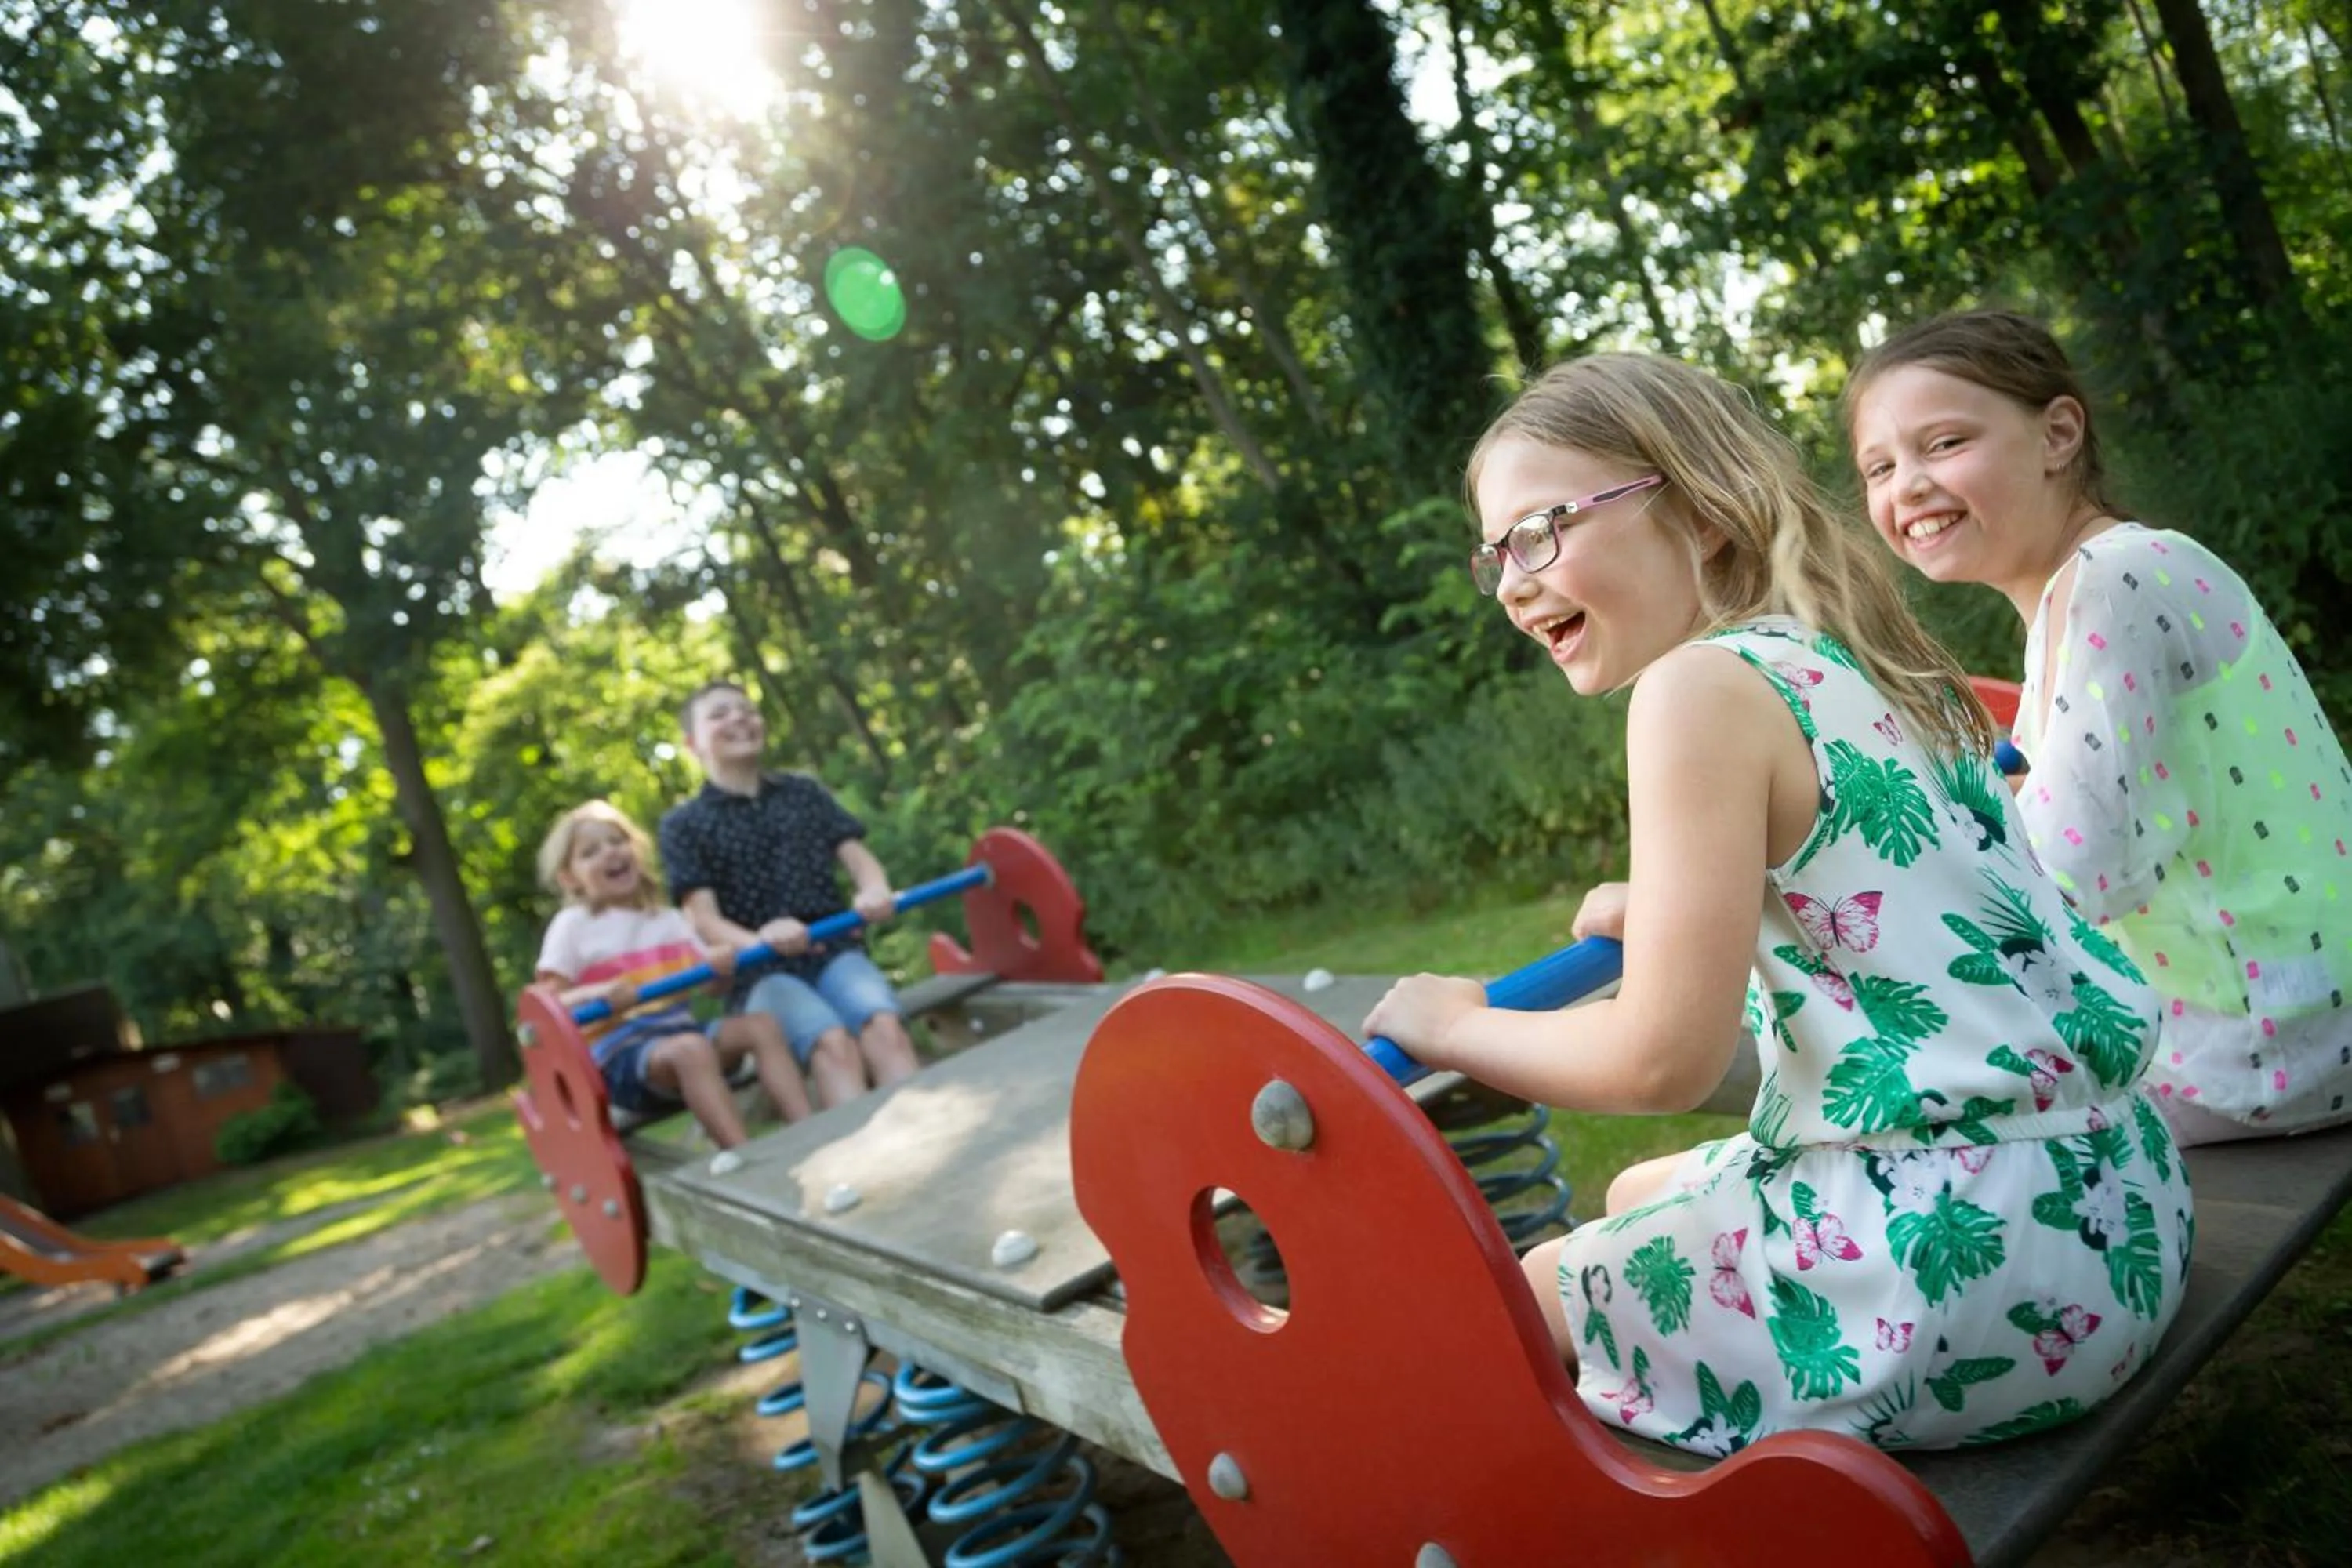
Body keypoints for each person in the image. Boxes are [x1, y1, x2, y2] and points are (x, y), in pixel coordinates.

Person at [1363, 354, 2190, 1456]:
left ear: (1700, 512)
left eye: (1541, 530)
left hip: (1954, 1280)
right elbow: (1884, 882)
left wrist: (1451, 1024)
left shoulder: (1694, 688)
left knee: (1518, 1301)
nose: (1513, 582)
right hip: (2116, 1204)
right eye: (1497, 553)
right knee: (1645, 1188)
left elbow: (1657, 1063)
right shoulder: (1867, 655)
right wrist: (1673, 909)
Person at [1846, 309, 2352, 1145]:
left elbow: (2077, 874)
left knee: (1883, 1098)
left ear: (2057, 434)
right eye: (1879, 466)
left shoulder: (2114, 580)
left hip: (2270, 1044)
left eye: (1942, 444)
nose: (1907, 485)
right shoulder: (2080, 594)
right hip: (2280, 1019)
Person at [657, 681, 920, 1110]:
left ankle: (928, 1133)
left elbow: (857, 857)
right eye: (720, 714)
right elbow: (703, 918)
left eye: (747, 710)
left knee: (883, 1025)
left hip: (832, 949)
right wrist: (760, 942)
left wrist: (873, 891)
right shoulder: (684, 824)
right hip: (760, 972)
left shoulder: (803, 793)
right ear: (692, 743)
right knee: (832, 1042)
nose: (739, 718)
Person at [535, 800, 811, 1148]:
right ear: (569, 878)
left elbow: (711, 988)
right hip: (624, 1058)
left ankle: (806, 1131)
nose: (610, 853)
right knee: (690, 1049)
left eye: (617, 841)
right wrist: (598, 994)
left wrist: (717, 968)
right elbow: (549, 1003)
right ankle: (744, 1156)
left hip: (683, 1036)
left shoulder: (666, 919)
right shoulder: (573, 926)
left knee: (761, 1026)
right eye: (590, 852)